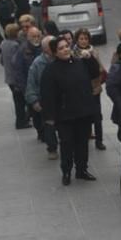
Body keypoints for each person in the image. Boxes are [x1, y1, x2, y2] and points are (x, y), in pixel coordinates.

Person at [40, 35, 101, 185]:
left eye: (66, 46)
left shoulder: (80, 63)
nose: (65, 50)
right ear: (55, 52)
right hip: (64, 115)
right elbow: (47, 95)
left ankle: (81, 170)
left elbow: (94, 72)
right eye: (61, 48)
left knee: (82, 143)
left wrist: (90, 58)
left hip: (83, 112)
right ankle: (66, 171)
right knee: (67, 144)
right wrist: (49, 116)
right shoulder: (50, 70)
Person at [73, 28, 106, 151]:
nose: (83, 41)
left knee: (97, 116)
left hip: (95, 88)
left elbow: (100, 69)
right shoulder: (73, 53)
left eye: (86, 38)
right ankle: (85, 136)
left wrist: (92, 57)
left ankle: (99, 140)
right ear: (77, 40)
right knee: (84, 116)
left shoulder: (94, 51)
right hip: (81, 90)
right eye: (81, 39)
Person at [25, 35, 58, 159]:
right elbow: (31, 84)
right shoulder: (38, 63)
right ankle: (52, 148)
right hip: (46, 100)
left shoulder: (60, 59)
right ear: (46, 49)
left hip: (62, 100)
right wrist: (34, 101)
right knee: (49, 125)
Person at [9, 26, 42, 130]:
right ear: (28, 37)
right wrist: (25, 89)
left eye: (38, 36)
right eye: (33, 36)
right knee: (35, 111)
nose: (36, 38)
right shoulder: (22, 50)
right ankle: (41, 131)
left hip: (41, 85)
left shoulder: (42, 48)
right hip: (30, 86)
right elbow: (18, 71)